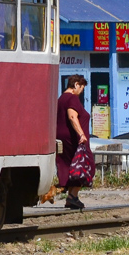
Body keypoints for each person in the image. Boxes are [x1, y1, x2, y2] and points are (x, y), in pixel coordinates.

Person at [55, 75, 91, 210]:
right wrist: (81, 134)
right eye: (81, 88)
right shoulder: (72, 98)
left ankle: (72, 198)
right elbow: (72, 116)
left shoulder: (61, 99)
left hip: (63, 138)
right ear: (76, 85)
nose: (81, 91)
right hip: (73, 139)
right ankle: (73, 196)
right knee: (84, 165)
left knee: (70, 166)